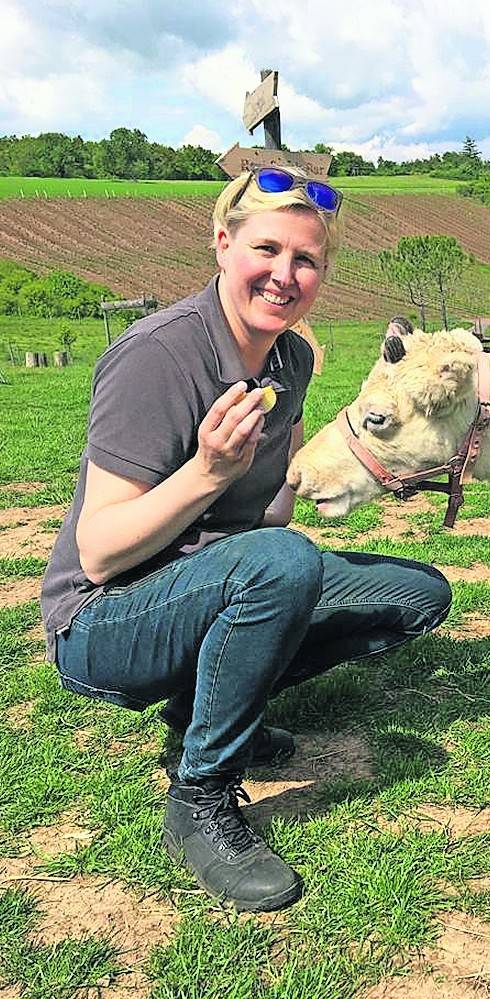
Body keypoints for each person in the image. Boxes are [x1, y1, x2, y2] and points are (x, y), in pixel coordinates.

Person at [40, 167, 452, 913]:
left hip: (213, 581)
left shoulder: (290, 360)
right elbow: (98, 551)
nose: (285, 275)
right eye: (267, 250)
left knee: (415, 594)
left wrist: (359, 466)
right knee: (281, 568)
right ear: (224, 245)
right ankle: (199, 800)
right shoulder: (158, 356)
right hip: (103, 619)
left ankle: (204, 703)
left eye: (307, 260)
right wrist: (204, 473)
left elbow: (269, 518)